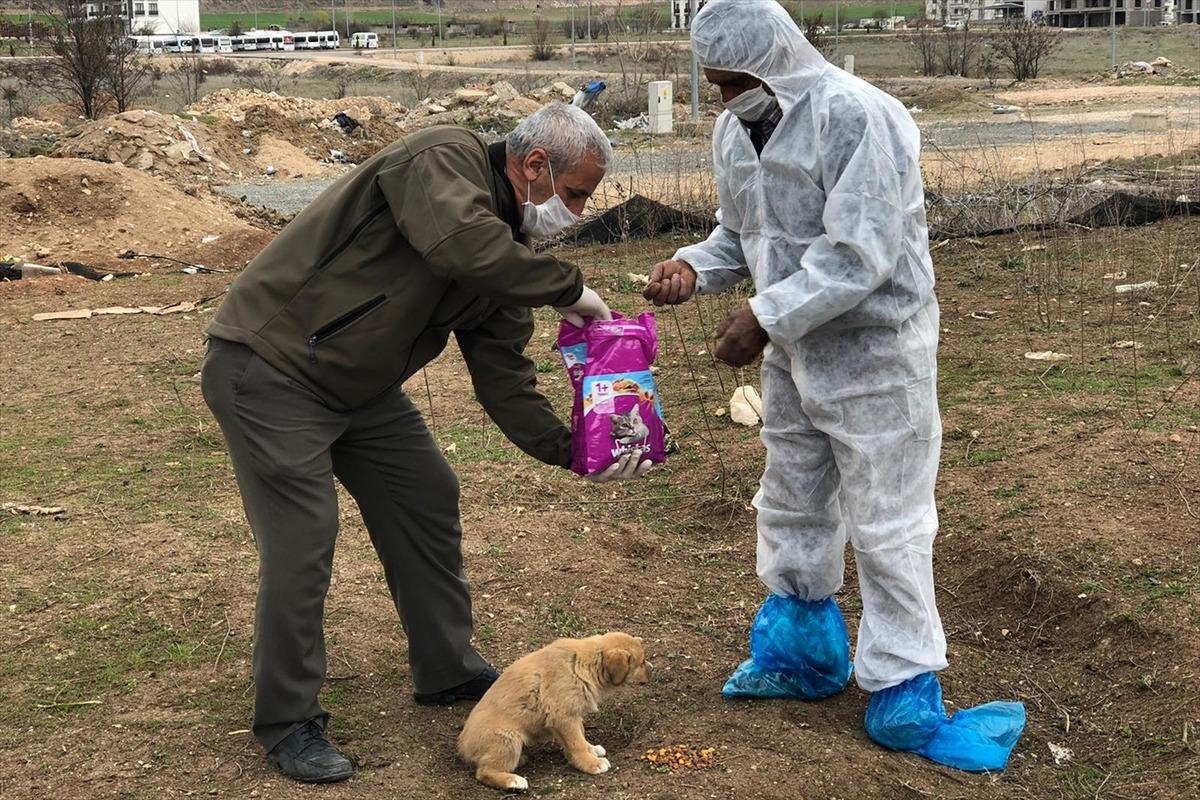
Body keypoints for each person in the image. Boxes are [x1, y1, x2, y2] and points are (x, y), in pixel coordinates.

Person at [202, 103, 651, 784]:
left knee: (425, 494)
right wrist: (569, 289)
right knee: (304, 538)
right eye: (575, 193)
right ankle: (287, 719)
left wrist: (574, 450)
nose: (580, 211)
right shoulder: (440, 157)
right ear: (534, 165)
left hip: (360, 390)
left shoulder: (510, 256)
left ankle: (446, 669)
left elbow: (505, 381)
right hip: (271, 367)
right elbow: (459, 247)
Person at [644, 0, 1025, 772]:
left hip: (875, 353)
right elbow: (744, 232)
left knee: (888, 519)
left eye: (734, 82)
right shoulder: (735, 130)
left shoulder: (860, 117)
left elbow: (861, 252)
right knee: (792, 497)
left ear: (771, 60)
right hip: (797, 349)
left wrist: (760, 316)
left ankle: (904, 687)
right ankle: (802, 654)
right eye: (715, 85)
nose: (725, 98)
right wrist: (696, 265)